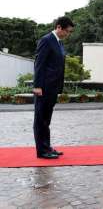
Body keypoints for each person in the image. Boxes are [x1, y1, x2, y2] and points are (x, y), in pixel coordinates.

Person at [33, 17, 74, 159]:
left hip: (52, 87)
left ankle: (47, 147)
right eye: (67, 31)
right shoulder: (46, 40)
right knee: (40, 119)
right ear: (59, 27)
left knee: (46, 119)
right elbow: (39, 64)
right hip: (43, 87)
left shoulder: (58, 42)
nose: (68, 34)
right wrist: (37, 86)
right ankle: (42, 151)